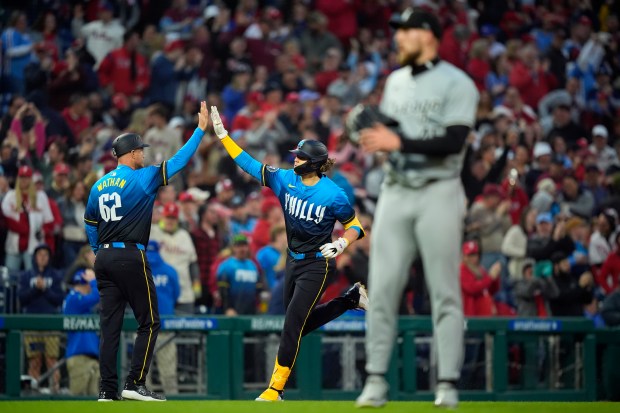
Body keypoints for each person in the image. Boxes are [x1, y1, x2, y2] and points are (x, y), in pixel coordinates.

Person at [355, 8, 479, 408]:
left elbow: (456, 140)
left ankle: (447, 384)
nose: (398, 39)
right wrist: (365, 126)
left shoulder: (458, 83)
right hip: (396, 190)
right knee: (383, 287)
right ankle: (375, 381)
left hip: (440, 190)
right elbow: (390, 126)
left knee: (444, 290)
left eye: (405, 32)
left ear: (427, 35)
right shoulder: (395, 80)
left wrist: (398, 143)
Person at [210, 106, 368, 402]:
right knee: (297, 326)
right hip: (292, 261)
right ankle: (350, 299)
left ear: (314, 164)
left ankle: (275, 389)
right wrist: (224, 136)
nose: (294, 159)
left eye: (300, 156)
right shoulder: (285, 179)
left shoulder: (333, 193)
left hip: (318, 264)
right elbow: (250, 164)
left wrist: (341, 244)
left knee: (292, 325)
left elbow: (356, 226)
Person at [84, 101, 209, 402]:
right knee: (150, 321)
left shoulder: (98, 185)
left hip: (104, 257)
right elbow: (179, 162)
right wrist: (200, 131)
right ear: (130, 153)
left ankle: (106, 389)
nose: (143, 153)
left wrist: (97, 251)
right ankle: (135, 382)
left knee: (110, 327)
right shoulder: (142, 177)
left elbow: (90, 224)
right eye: (140, 150)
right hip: (130, 254)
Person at [145, 240, 180, 395]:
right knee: (168, 370)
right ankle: (173, 401)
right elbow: (176, 295)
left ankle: (142, 403)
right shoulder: (170, 270)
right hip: (165, 325)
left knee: (142, 372)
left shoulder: (138, 270)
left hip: (142, 325)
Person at [63, 269, 100, 396]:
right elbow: (97, 296)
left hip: (90, 357)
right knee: (78, 401)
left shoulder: (83, 304)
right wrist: (94, 281)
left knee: (94, 401)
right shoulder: (73, 298)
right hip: (78, 356)